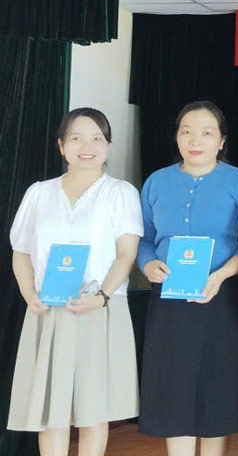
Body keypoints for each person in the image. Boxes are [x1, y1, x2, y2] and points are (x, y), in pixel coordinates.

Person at [8, 107, 143, 456]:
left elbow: (126, 253)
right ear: (61, 145)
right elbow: (21, 251)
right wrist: (28, 293)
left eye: (97, 137)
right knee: (50, 412)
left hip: (97, 309)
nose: (87, 146)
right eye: (77, 138)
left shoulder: (120, 192)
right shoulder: (39, 192)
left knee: (92, 411)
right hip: (47, 309)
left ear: (108, 145)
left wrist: (102, 295)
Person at [136, 101, 238, 455]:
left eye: (207, 133)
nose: (196, 139)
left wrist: (220, 276)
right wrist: (147, 265)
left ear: (221, 141)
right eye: (187, 130)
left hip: (223, 297)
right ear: (176, 135)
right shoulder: (158, 181)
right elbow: (143, 239)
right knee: (173, 386)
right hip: (169, 299)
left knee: (215, 388)